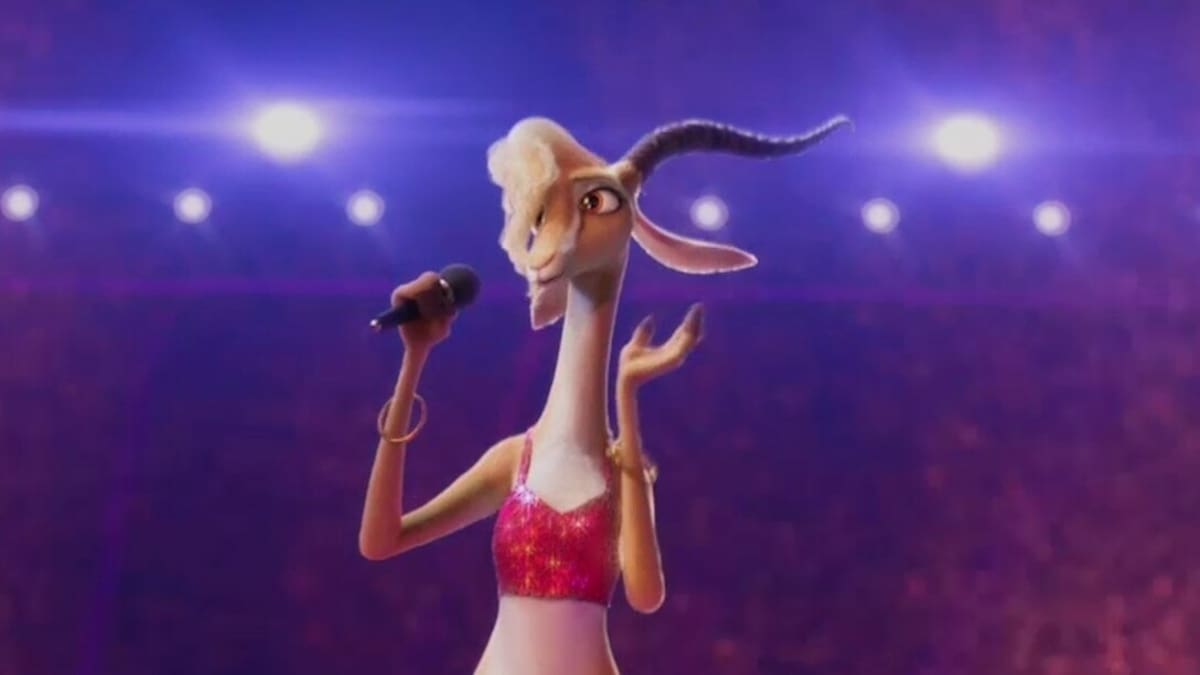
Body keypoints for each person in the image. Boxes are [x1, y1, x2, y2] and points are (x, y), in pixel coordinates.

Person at [358, 114, 848, 674]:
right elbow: (381, 540)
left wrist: (626, 401)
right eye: (548, 213)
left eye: (595, 204)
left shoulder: (622, 475)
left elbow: (646, 594)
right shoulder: (513, 461)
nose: (558, 231)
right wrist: (414, 359)